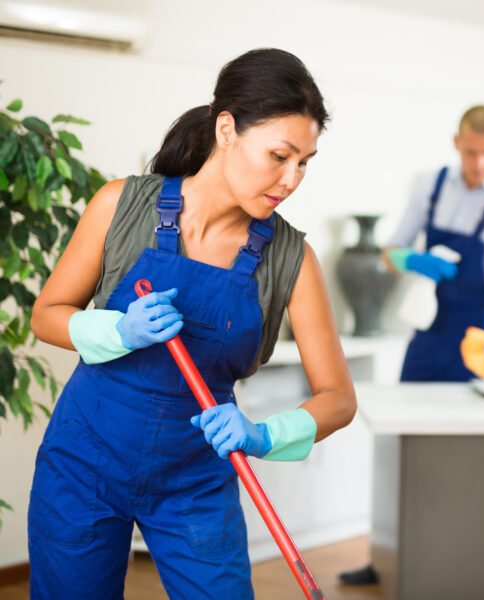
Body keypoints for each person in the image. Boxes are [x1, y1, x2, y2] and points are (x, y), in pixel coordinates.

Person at [29, 48, 356, 599]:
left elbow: (338, 398)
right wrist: (117, 332)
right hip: (82, 465)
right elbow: (46, 316)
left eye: (305, 162)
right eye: (279, 155)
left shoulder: (291, 260)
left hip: (196, 481)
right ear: (226, 129)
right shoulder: (120, 206)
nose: (292, 178)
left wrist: (263, 434)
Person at [339, 105, 484, 585]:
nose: (479, 165)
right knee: (404, 447)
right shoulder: (431, 186)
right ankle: (388, 559)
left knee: (481, 457)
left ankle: (478, 562)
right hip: (431, 331)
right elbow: (389, 254)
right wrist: (411, 258)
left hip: (483, 335)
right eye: (471, 153)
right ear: (457, 143)